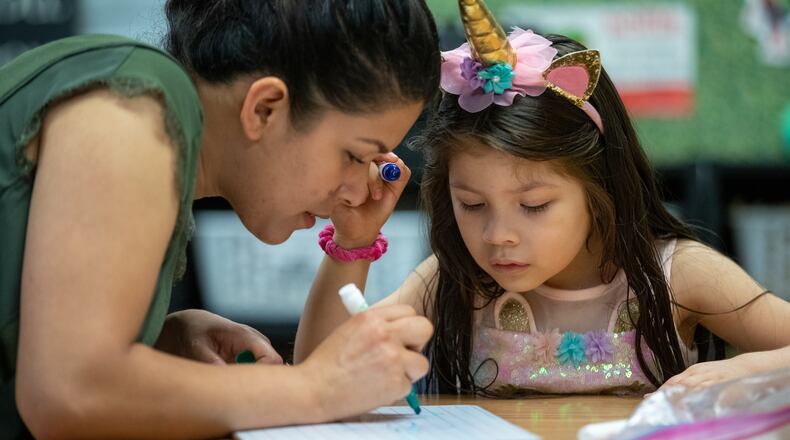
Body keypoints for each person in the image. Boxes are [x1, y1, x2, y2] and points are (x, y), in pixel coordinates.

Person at [295, 0, 790, 398]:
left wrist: (749, 368)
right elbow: (313, 374)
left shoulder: (674, 275)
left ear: (600, 185)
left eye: (533, 206)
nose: (498, 236)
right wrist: (353, 240)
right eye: (471, 204)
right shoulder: (455, 283)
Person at [0, 0, 438, 437]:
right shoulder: (128, 113)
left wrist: (162, 341)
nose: (358, 188)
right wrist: (314, 387)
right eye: (355, 155)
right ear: (264, 108)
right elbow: (70, 393)